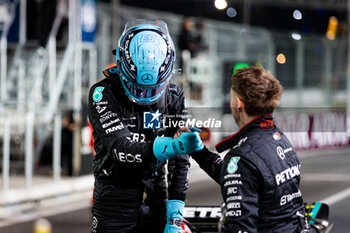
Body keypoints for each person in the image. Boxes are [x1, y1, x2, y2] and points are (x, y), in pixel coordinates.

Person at [88, 19, 203, 233]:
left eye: (151, 89)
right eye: (137, 88)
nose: (144, 96)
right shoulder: (103, 93)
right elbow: (120, 148)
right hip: (113, 201)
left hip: (156, 197)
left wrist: (175, 217)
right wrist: (174, 145)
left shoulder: (174, 95)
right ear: (121, 65)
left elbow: (180, 161)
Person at [184, 67, 307, 232]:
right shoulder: (279, 138)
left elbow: (240, 228)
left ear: (238, 103)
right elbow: (249, 179)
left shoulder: (242, 158)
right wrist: (199, 152)